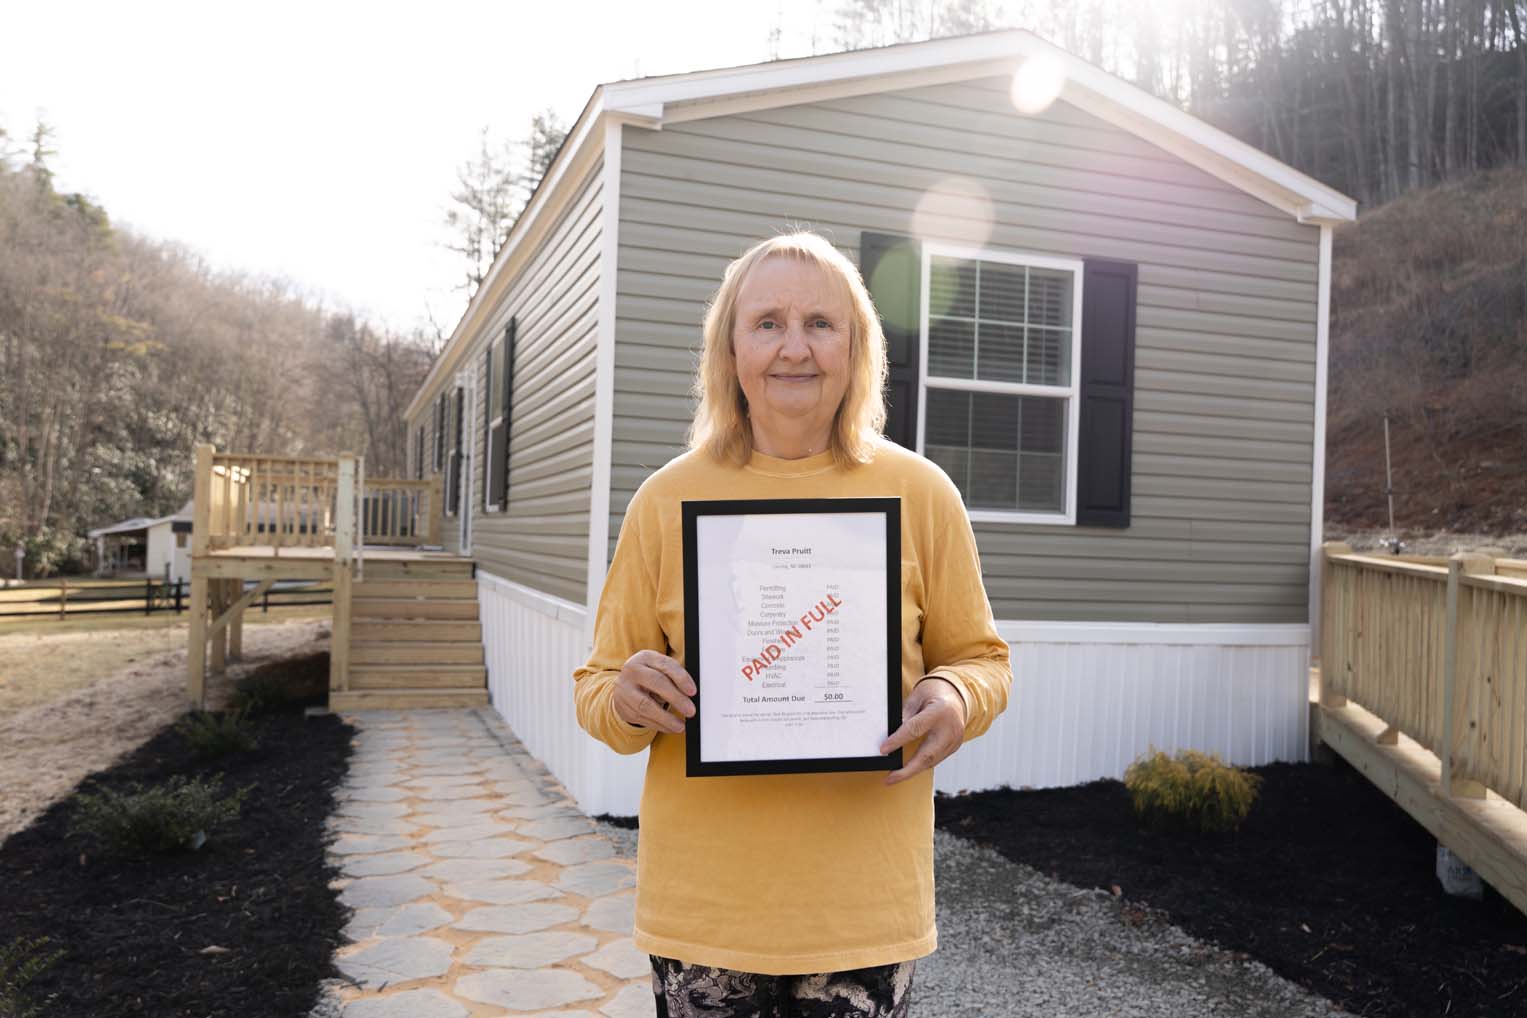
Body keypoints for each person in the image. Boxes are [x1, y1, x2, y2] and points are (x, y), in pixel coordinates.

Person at [573, 230, 1012, 1018]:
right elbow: (599, 690)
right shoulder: (666, 499)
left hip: (862, 910)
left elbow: (982, 658)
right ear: (729, 348)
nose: (794, 348)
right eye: (767, 322)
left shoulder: (921, 492)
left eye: (821, 323)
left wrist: (953, 694)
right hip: (706, 912)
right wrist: (627, 696)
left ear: (855, 347)